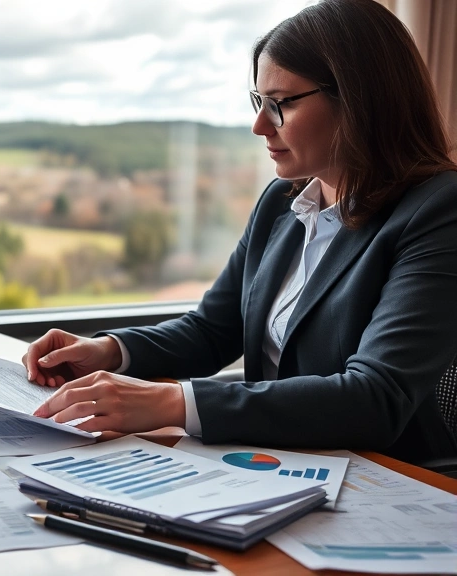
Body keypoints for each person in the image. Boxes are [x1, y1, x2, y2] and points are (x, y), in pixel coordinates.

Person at [22, 0, 457, 464]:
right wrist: (109, 351)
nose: (258, 126)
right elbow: (213, 331)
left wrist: (171, 403)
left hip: (390, 479)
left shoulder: (438, 210)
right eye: (258, 103)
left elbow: (376, 397)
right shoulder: (281, 202)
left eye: (279, 104)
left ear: (357, 98)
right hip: (273, 461)